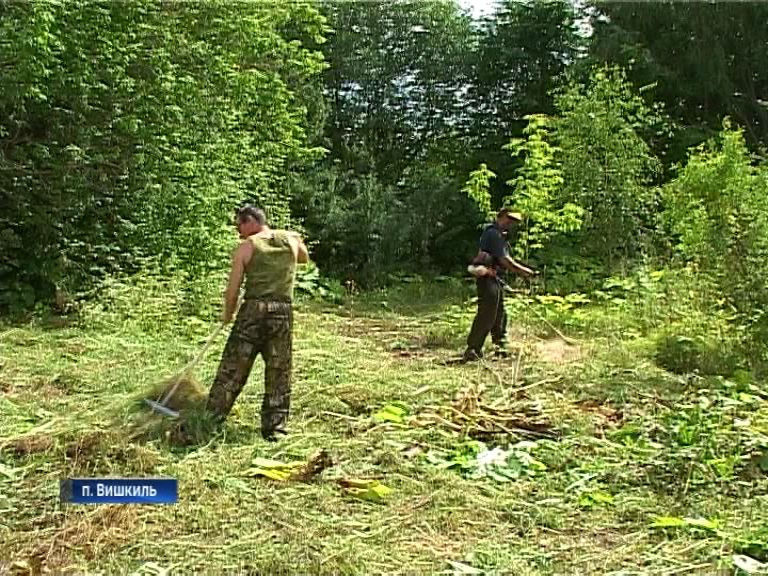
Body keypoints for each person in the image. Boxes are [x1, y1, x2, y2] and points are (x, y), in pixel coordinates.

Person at [206, 205, 309, 441]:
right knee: (279, 369)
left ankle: (211, 419)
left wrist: (228, 314)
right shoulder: (290, 240)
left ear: (250, 221)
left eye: (239, 225)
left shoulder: (246, 247)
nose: (238, 231)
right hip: (282, 312)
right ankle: (275, 428)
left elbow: (232, 290)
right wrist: (291, 239)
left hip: (253, 312)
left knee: (233, 367)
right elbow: (303, 258)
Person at [462, 207, 535, 362]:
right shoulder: (493, 234)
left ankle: (500, 347)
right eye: (509, 219)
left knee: (500, 315)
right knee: (487, 315)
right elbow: (505, 260)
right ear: (500, 217)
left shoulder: (500, 235)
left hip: (495, 279)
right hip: (487, 278)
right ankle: (473, 349)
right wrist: (524, 272)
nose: (511, 223)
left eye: (514, 221)